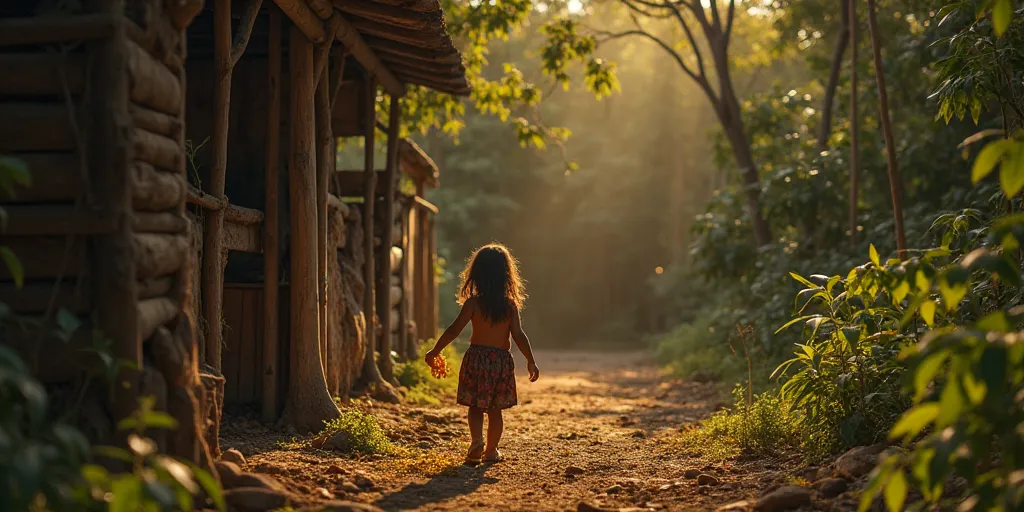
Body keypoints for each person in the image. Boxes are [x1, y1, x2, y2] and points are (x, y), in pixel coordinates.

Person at [424, 243, 540, 464]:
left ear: (476, 275)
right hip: (501, 362)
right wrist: (531, 361)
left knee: (475, 406)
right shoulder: (509, 306)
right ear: (507, 275)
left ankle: (477, 440)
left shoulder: (473, 304)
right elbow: (518, 334)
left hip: (476, 359)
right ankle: (491, 451)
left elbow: (454, 329)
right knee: (495, 411)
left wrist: (435, 351)